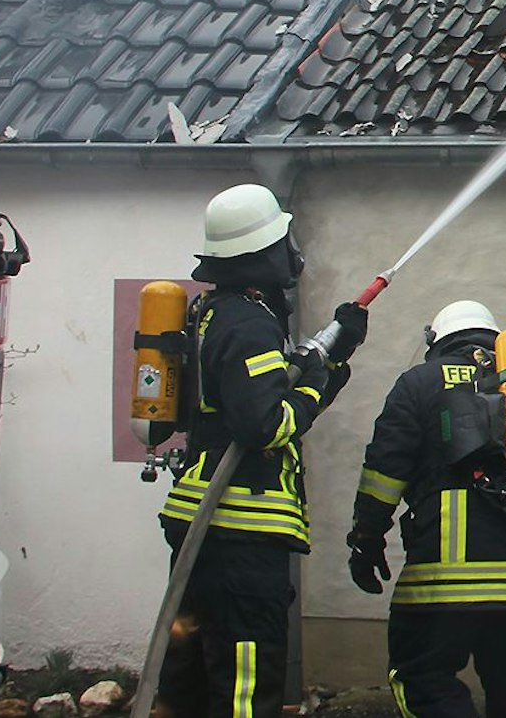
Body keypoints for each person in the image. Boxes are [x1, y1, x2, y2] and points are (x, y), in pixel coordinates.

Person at [154, 184, 367, 718]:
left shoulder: (215, 312)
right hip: (238, 535)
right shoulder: (247, 323)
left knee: (190, 676)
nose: (292, 251)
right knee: (245, 681)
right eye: (282, 239)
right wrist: (316, 382)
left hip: (206, 526)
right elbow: (267, 423)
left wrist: (332, 359)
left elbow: (273, 391)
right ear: (260, 255)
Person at [347, 300, 506, 718]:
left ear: (439, 341)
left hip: (439, 583)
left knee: (425, 681)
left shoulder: (418, 384)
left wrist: (365, 540)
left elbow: (383, 473)